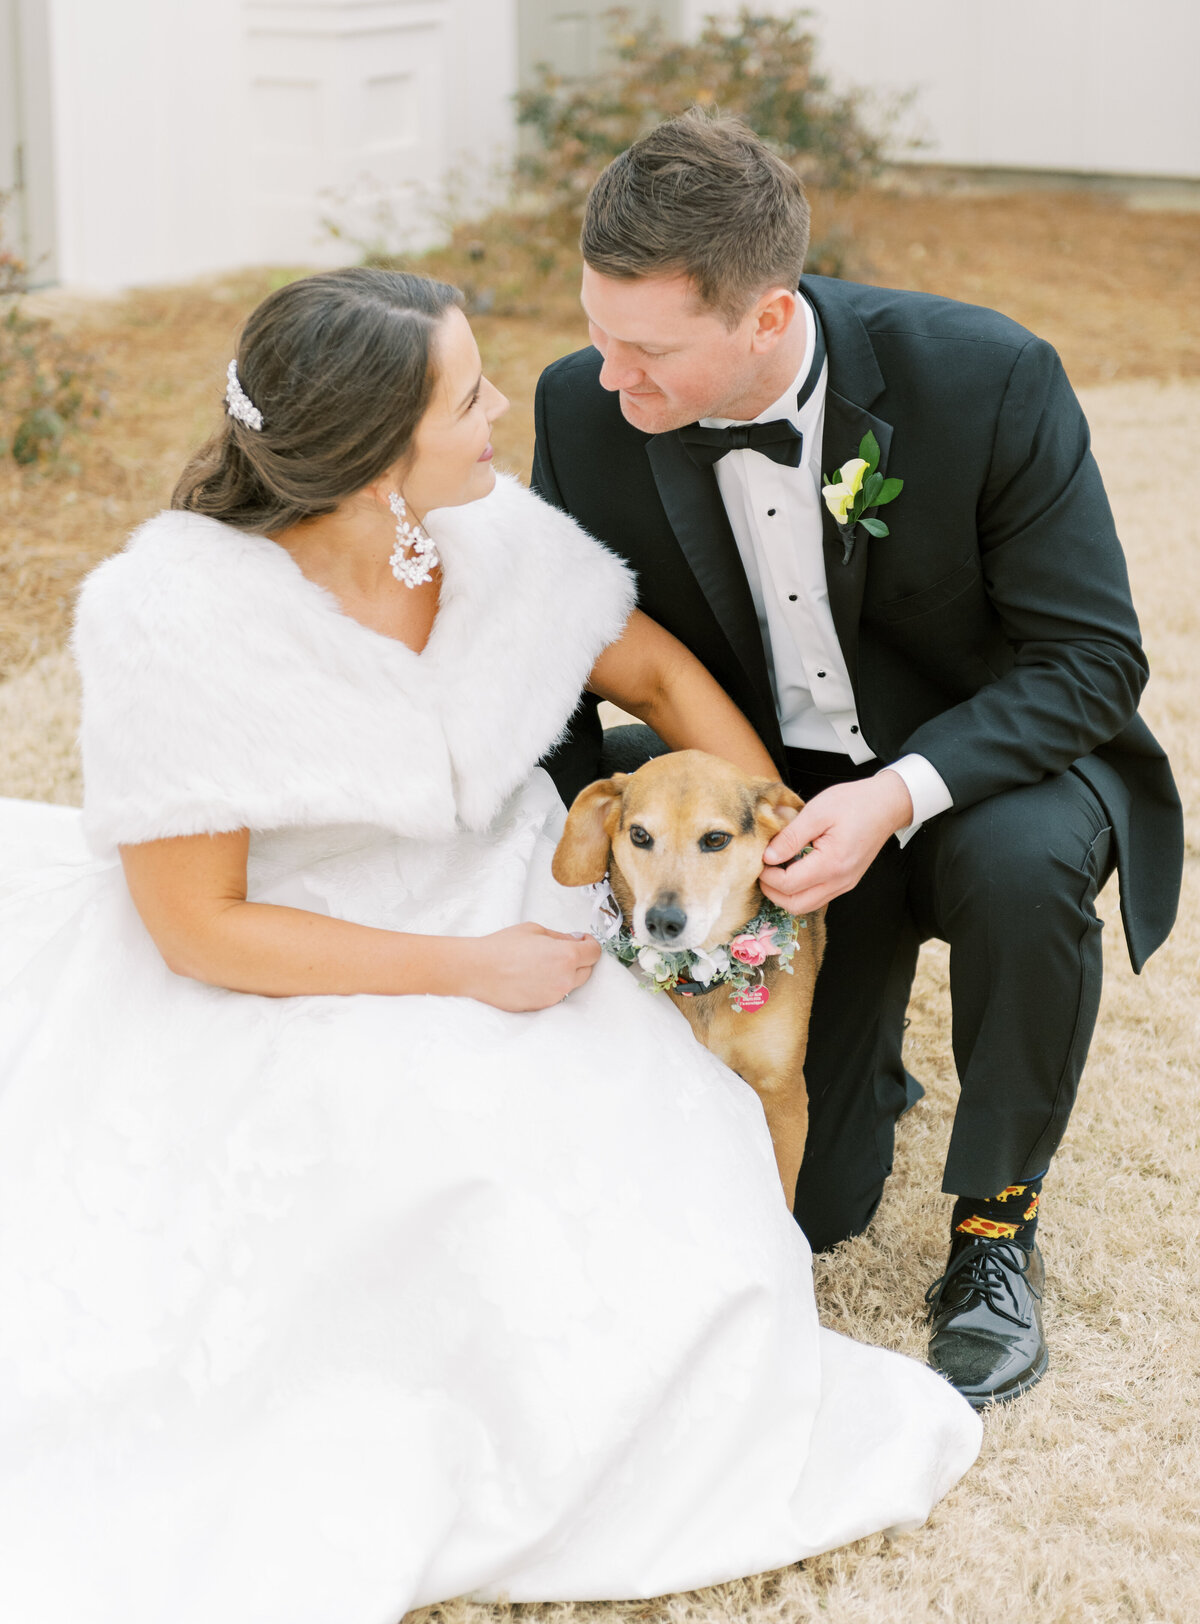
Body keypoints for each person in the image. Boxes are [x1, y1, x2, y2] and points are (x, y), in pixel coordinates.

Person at [0, 268, 979, 1624]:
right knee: (435, 1183)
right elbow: (196, 926)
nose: (505, 409)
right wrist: (472, 970)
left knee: (671, 1139)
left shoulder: (477, 532)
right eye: (469, 396)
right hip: (296, 953)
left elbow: (651, 674)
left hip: (509, 886)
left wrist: (769, 837)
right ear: (367, 462)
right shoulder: (176, 622)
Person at [532, 111, 1184, 1411]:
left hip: (970, 781)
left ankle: (996, 1233)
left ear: (768, 318)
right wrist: (569, 858)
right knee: (817, 1211)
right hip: (761, 806)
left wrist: (898, 793)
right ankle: (864, 1054)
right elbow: (551, 651)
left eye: (647, 350)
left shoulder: (988, 378)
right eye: (598, 332)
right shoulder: (583, 407)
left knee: (1023, 861)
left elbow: (1092, 660)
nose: (611, 379)